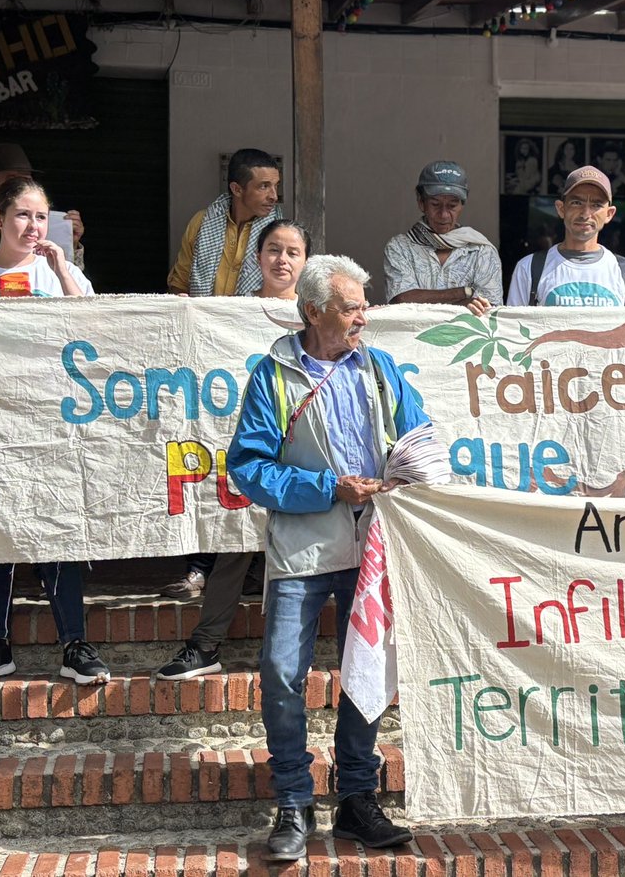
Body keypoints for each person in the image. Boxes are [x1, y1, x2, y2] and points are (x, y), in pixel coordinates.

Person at [227, 254, 425, 858]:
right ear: (314, 312)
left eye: (365, 306)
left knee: (365, 673)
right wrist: (328, 488)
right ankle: (293, 802)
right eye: (351, 308)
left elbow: (420, 439)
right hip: (302, 550)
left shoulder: (381, 369)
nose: (363, 317)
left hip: (372, 550)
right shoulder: (273, 375)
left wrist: (412, 473)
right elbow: (248, 469)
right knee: (281, 673)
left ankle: (357, 801)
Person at [0, 176, 109, 686]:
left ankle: (74, 645)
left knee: (59, 530)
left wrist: (63, 269)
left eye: (41, 217)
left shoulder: (62, 273)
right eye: (22, 215)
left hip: (54, 426)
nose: (33, 226)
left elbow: (95, 336)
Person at [155, 220, 311, 681]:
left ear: (306, 262)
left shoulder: (316, 315)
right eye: (274, 250)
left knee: (300, 551)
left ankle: (289, 655)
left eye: (293, 252)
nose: (282, 260)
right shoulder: (228, 312)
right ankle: (205, 645)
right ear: (257, 257)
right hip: (247, 449)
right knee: (235, 539)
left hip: (304, 451)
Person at [162, 148, 283, 600]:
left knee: (258, 457)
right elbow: (179, 284)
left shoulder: (279, 233)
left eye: (276, 186)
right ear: (236, 188)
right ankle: (198, 568)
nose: (273, 195)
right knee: (205, 457)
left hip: (256, 357)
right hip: (206, 362)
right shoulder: (203, 223)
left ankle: (256, 567)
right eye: (263, 186)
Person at [506, 166, 625, 308]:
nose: (585, 214)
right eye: (576, 203)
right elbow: (515, 322)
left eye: (596, 205)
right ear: (561, 209)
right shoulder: (529, 268)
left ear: (609, 214)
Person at [0, 143, 84, 279]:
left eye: (41, 217)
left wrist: (71, 242)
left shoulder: (52, 228)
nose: (33, 226)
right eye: (12, 180)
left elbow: (75, 283)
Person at [383, 161, 502, 316]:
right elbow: (402, 300)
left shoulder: (482, 251)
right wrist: (463, 293)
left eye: (452, 206)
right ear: (421, 202)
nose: (444, 215)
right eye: (435, 204)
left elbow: (488, 310)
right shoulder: (400, 247)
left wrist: (424, 299)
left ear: (462, 205)